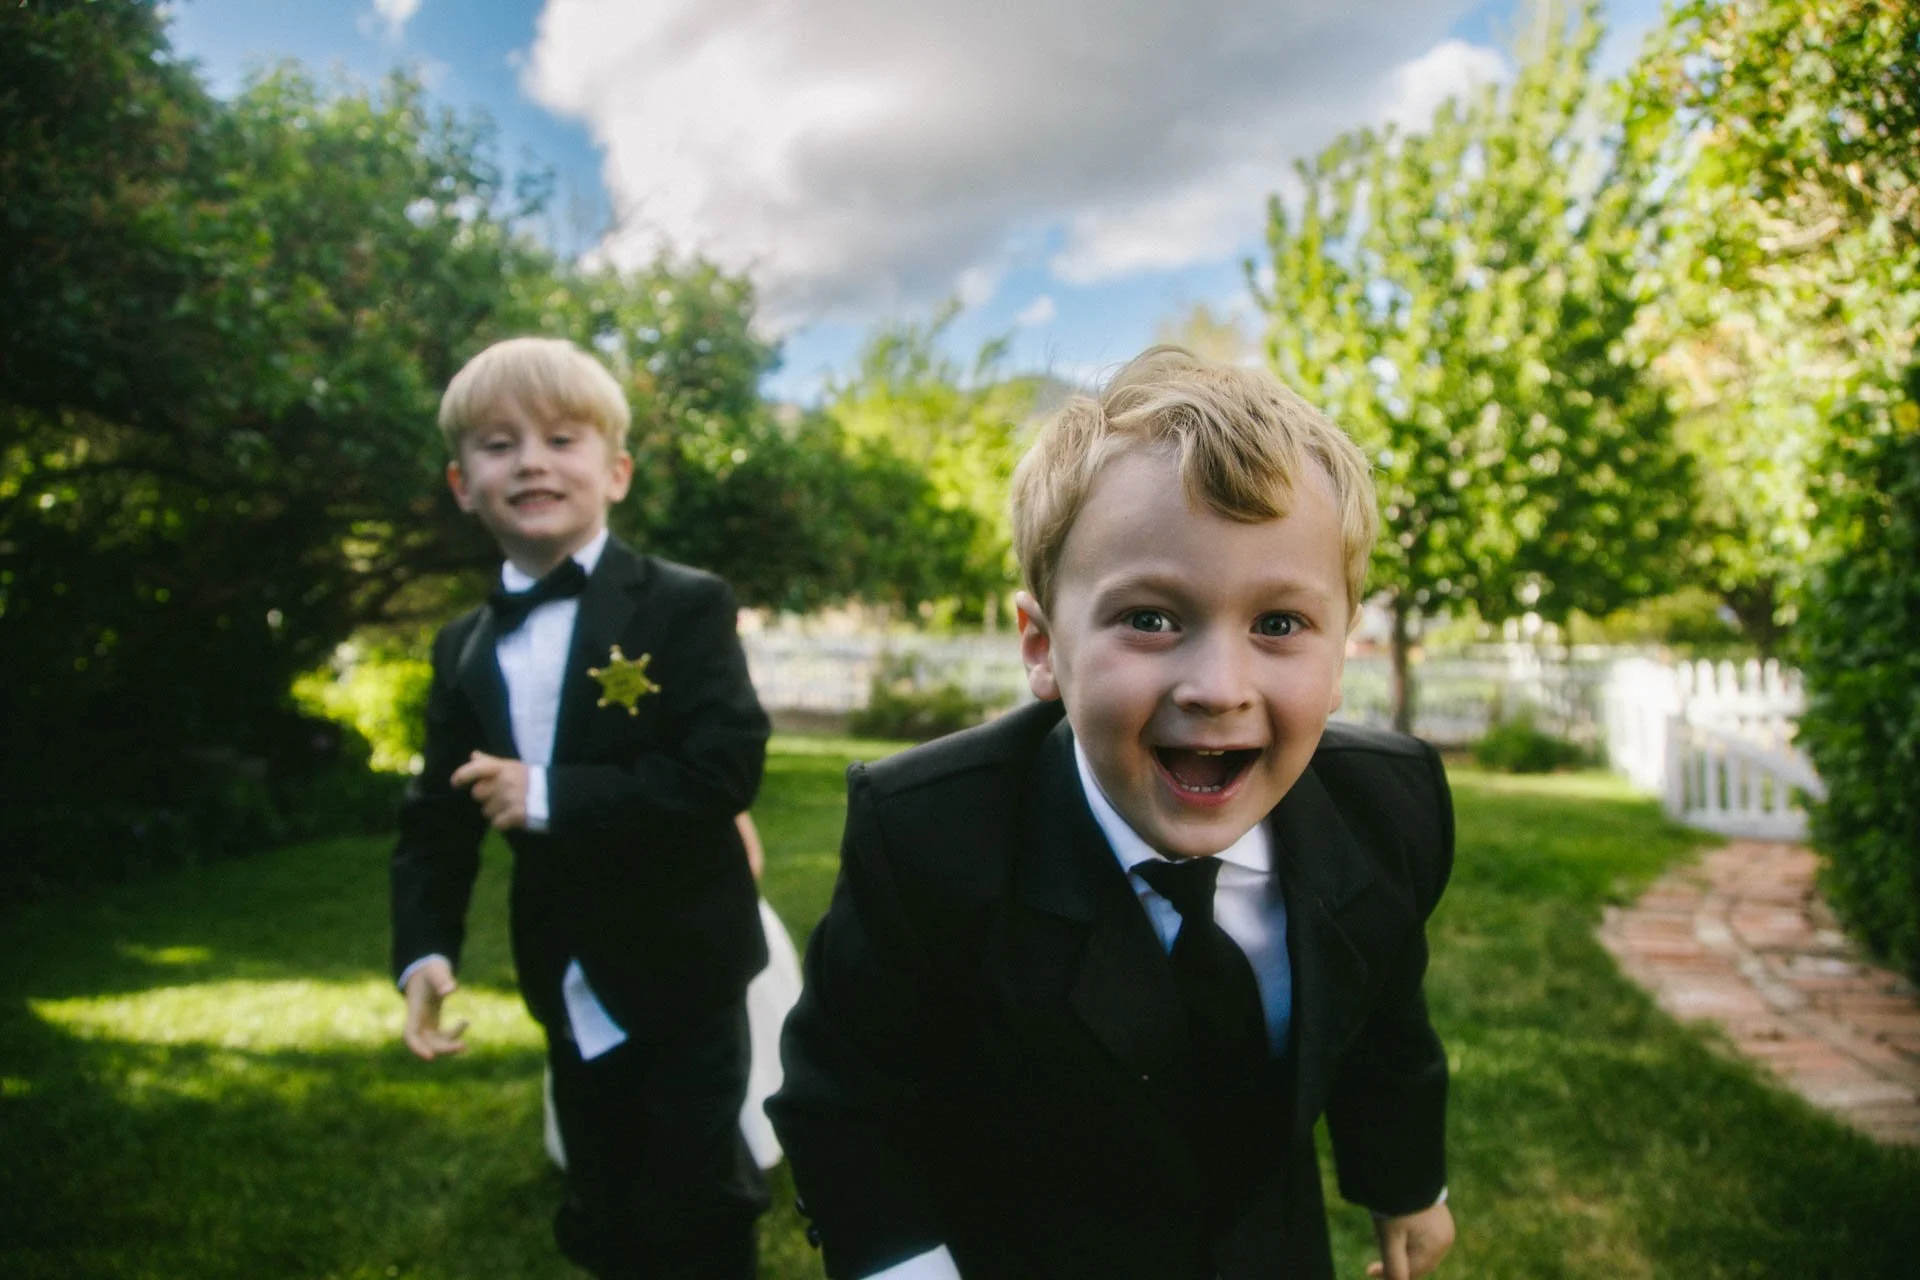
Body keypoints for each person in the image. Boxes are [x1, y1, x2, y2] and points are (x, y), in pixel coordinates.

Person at [769, 347, 1456, 1280]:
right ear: (1044, 648)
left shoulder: (1389, 810)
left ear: (1343, 654)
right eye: (1150, 618)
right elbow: (843, 1093)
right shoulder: (929, 837)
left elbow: (1382, 1017)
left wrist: (1407, 1181)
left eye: (1280, 625)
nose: (1219, 688)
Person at [390, 336, 771, 1279]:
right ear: (461, 483)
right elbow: (435, 822)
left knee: (695, 1198)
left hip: (686, 961)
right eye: (496, 443)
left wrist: (549, 793)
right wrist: (424, 951)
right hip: (566, 968)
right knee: (600, 1200)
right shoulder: (461, 649)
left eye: (561, 438)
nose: (529, 461)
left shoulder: (682, 605)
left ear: (617, 471)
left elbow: (723, 769)